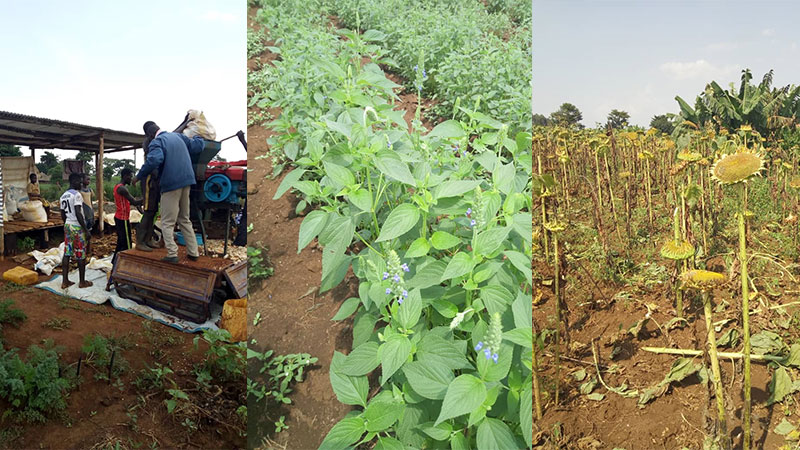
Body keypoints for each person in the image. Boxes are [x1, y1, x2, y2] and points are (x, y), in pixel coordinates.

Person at [133, 120, 204, 263]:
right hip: (187, 181)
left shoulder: (157, 142)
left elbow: (154, 160)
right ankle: (193, 252)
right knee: (184, 218)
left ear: (149, 134)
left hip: (171, 184)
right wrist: (198, 136)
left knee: (167, 222)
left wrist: (139, 176)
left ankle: (172, 254)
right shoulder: (179, 137)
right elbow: (198, 146)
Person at [60, 173, 92, 289]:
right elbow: (78, 213)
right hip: (77, 227)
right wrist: (86, 230)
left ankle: (65, 281)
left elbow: (62, 214)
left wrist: (67, 224)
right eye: (79, 181)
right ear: (74, 182)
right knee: (80, 253)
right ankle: (82, 282)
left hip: (68, 225)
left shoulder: (63, 196)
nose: (81, 183)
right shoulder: (77, 195)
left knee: (67, 252)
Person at [112, 168, 143, 261]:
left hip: (120, 218)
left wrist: (141, 211)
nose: (131, 178)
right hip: (122, 219)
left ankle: (115, 262)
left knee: (121, 242)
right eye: (130, 176)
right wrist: (147, 197)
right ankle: (126, 263)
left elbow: (131, 202)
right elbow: (134, 202)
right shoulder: (122, 188)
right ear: (125, 176)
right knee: (127, 243)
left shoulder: (119, 187)